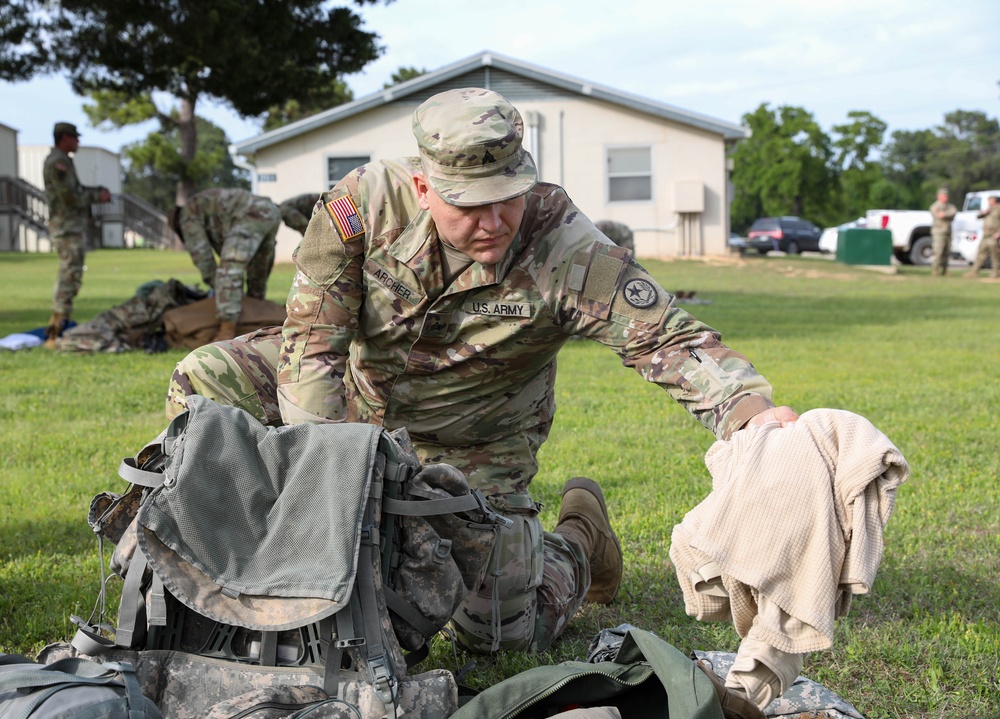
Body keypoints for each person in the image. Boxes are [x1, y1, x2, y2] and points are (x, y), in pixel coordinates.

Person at [164, 88, 797, 659]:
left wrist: (754, 415)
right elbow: (312, 347)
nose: (493, 223)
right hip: (356, 401)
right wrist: (327, 500)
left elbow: (668, 340)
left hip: (478, 437)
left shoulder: (566, 247)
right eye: (469, 205)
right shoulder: (358, 207)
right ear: (422, 186)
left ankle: (578, 541)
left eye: (507, 198)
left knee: (498, 640)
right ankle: (237, 569)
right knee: (205, 378)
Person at [170, 188, 282, 341]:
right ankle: (257, 322)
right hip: (271, 211)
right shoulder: (200, 206)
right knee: (258, 273)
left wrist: (220, 289)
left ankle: (226, 331)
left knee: (229, 269)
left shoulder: (187, 216)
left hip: (251, 214)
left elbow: (203, 258)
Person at [42, 122, 112, 348]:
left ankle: (61, 324)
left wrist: (95, 191)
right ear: (64, 138)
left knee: (72, 276)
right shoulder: (58, 163)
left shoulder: (64, 161)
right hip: (67, 228)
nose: (78, 142)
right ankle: (56, 329)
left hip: (71, 228)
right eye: (75, 138)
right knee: (68, 276)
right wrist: (96, 197)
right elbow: (68, 197)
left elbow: (76, 191)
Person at [967, 195, 1000, 279]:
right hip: (985, 235)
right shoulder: (988, 209)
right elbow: (978, 216)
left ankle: (995, 273)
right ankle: (974, 271)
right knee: (980, 253)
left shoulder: (998, 209)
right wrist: (984, 212)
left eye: (990, 200)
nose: (989, 202)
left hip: (993, 235)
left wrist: (998, 233)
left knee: (995, 255)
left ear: (995, 201)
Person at [929, 187, 957, 277]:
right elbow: (939, 215)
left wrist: (945, 214)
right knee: (938, 251)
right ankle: (935, 269)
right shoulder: (935, 206)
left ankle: (945, 270)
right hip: (939, 232)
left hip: (948, 231)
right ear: (939, 196)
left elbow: (953, 212)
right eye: (944, 195)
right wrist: (946, 215)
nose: (946, 197)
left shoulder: (949, 206)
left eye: (947, 195)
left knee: (947, 251)